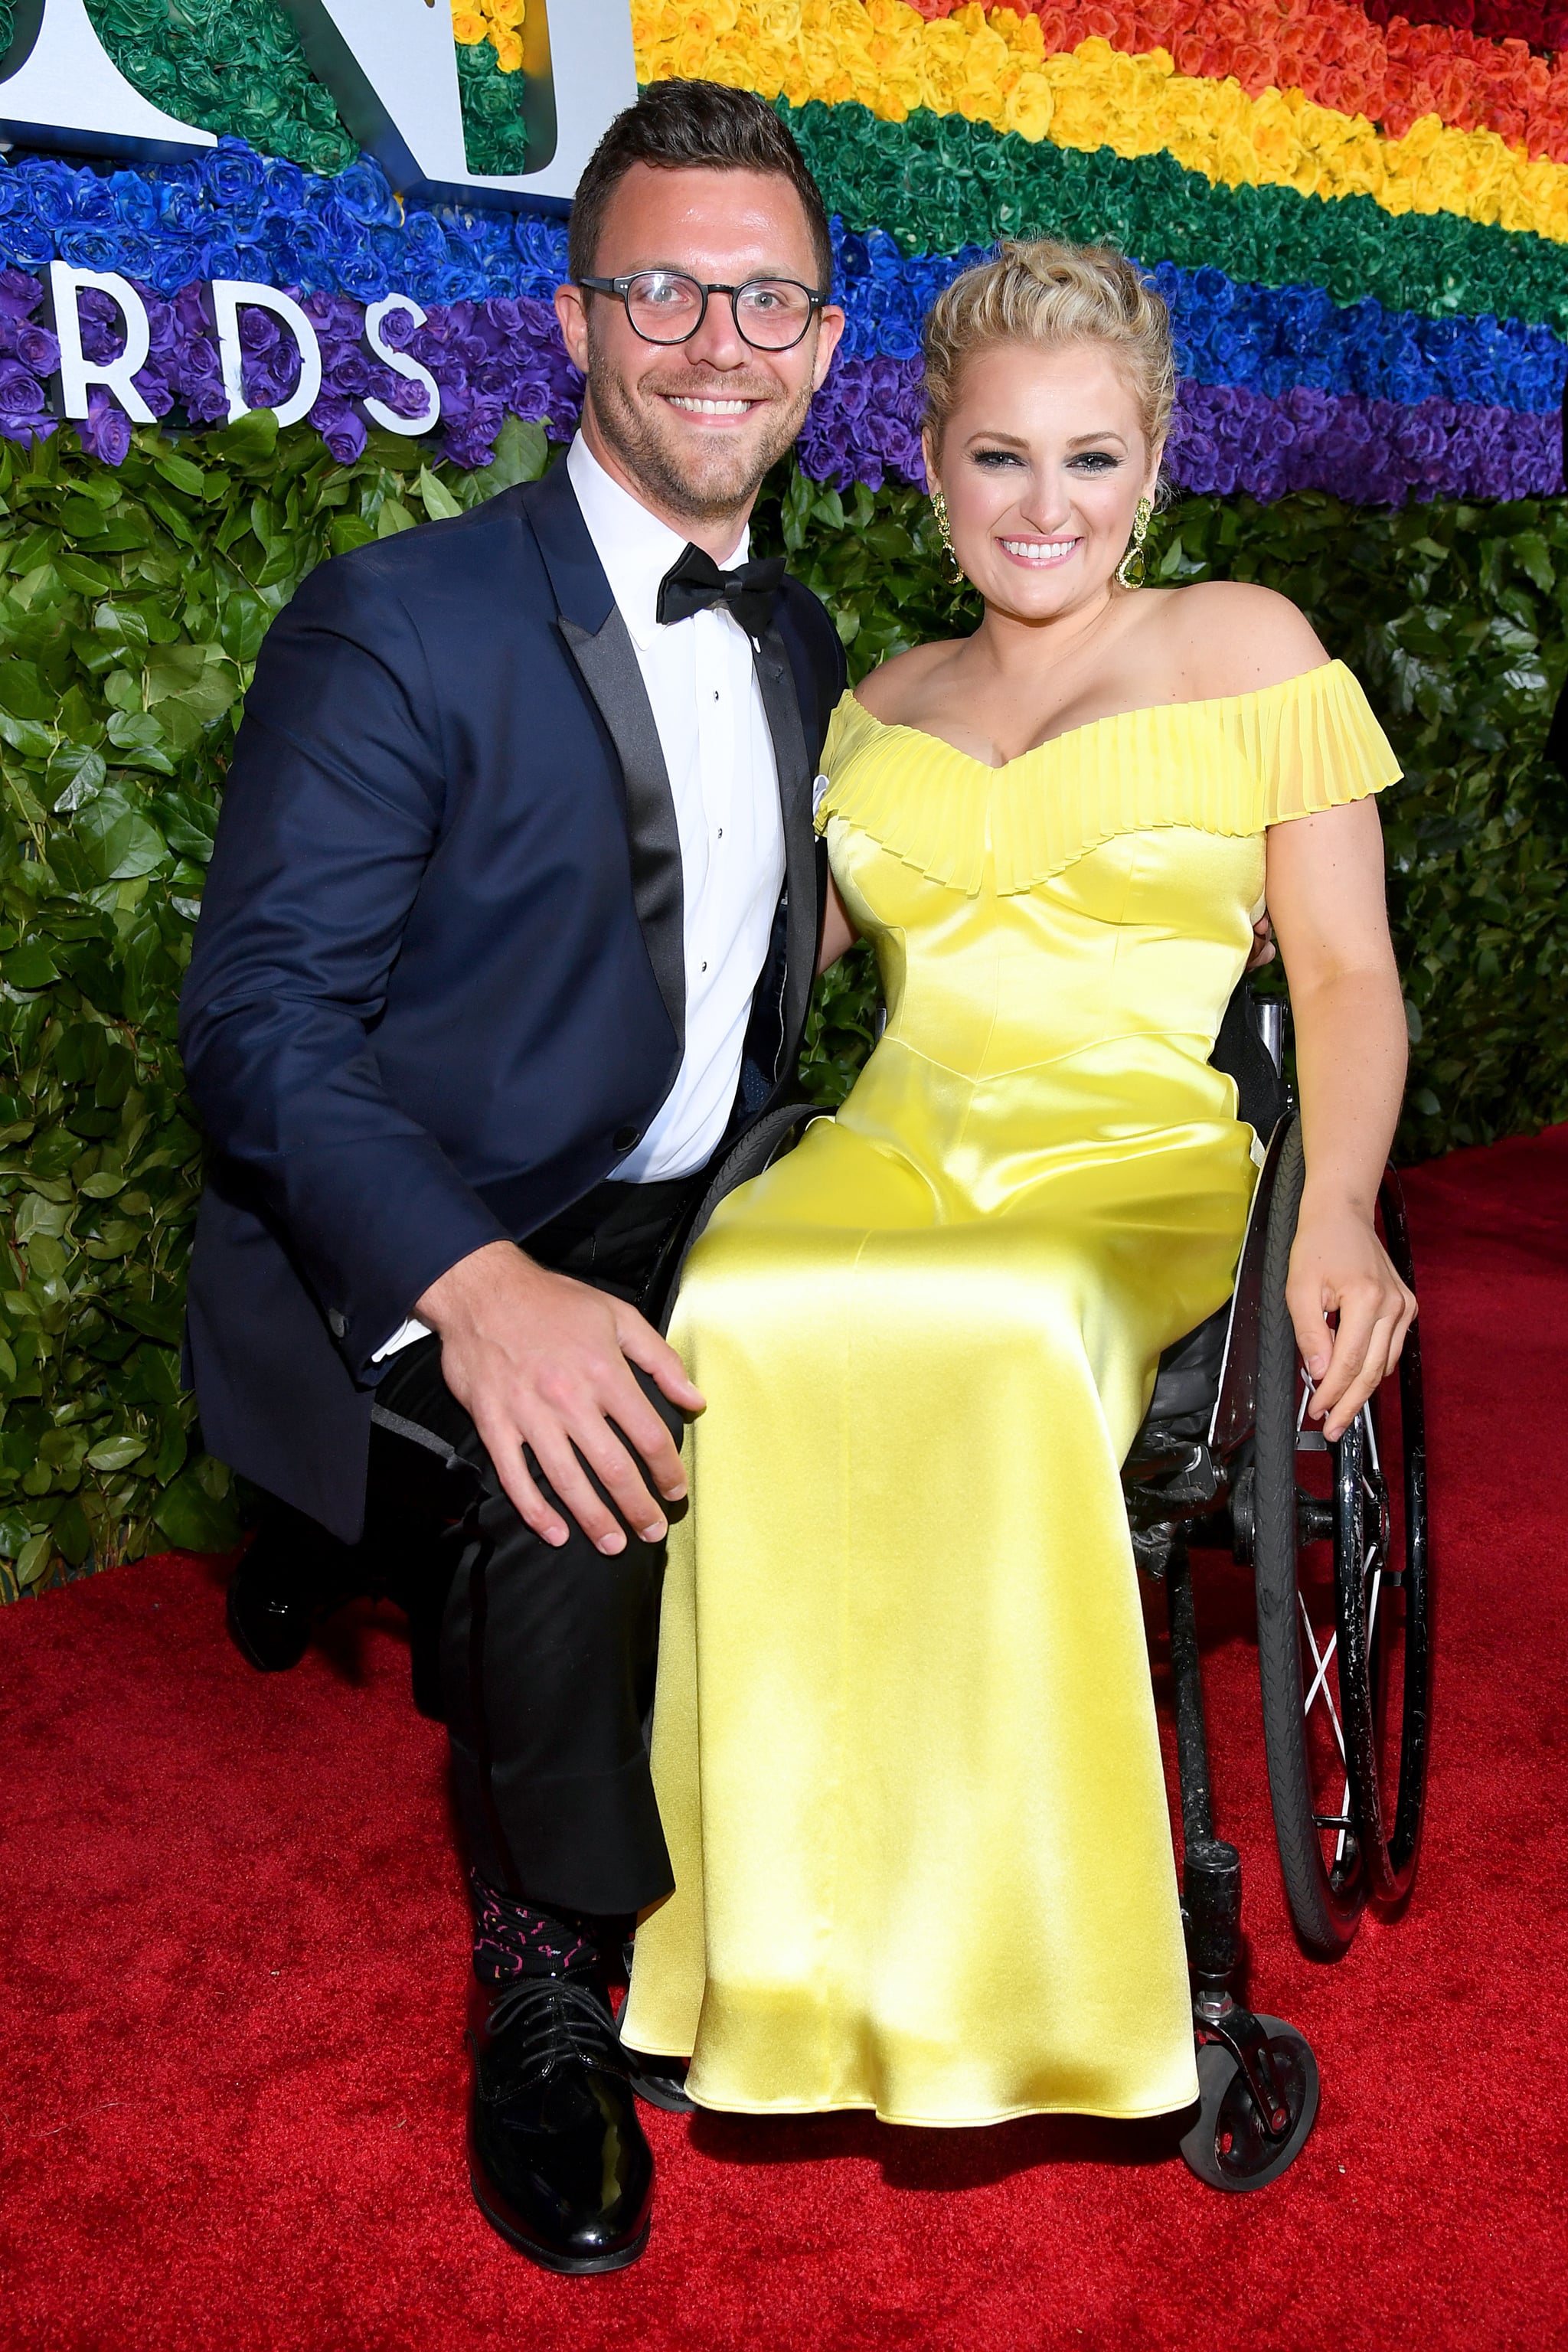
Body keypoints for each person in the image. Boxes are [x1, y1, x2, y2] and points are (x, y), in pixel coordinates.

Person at [621, 240, 1417, 2129]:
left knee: (1013, 1314)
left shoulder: (1247, 645)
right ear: (928, 467)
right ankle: (783, 1961)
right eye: (1000, 460)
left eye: (1087, 460)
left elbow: (1350, 979)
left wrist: (1341, 1206)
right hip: (899, 1136)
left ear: (1153, 467)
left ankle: (1038, 1969)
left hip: (1132, 1153)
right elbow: (743, 972)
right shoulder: (872, 705)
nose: (1041, 506)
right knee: (730, 1298)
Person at [178, 82, 846, 2272]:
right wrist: (474, 1279)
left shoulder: (810, 635)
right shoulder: (403, 617)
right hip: (444, 1200)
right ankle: (555, 1974)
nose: (716, 338)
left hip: (697, 1183)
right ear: (576, 323)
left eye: (766, 296)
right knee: (600, 1432)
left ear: (828, 343)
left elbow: (751, 932)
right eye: (664, 287)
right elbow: (263, 1023)